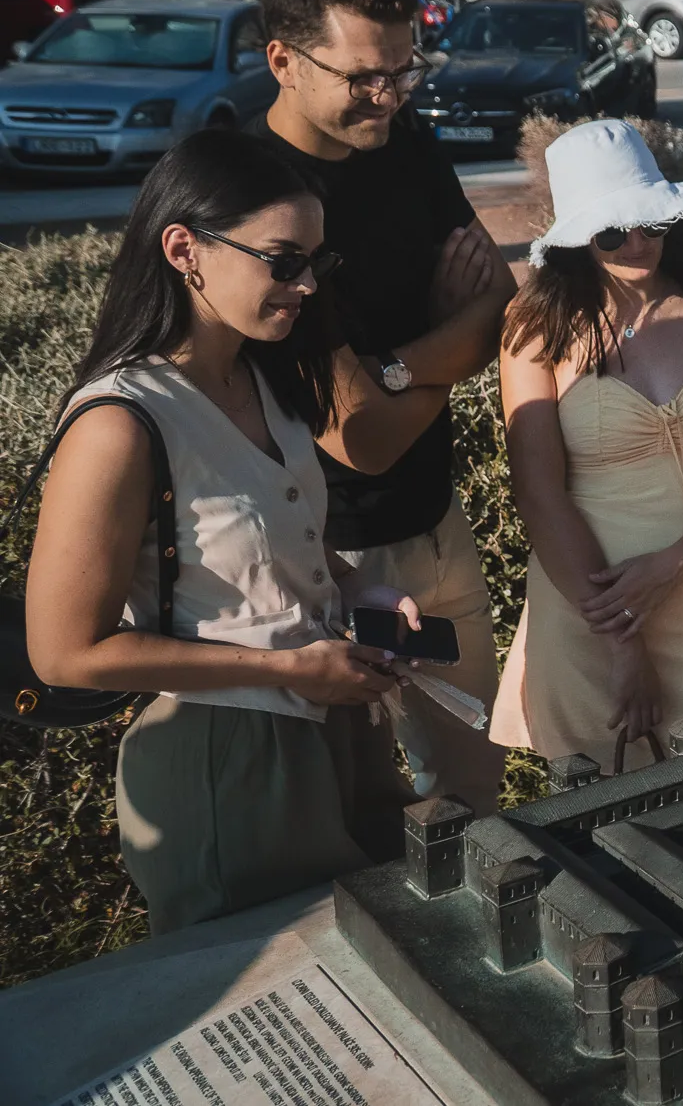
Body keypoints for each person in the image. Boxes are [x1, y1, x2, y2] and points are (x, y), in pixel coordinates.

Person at [24, 130, 424, 933]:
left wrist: (359, 591)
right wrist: (292, 665)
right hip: (226, 760)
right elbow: (64, 652)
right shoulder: (120, 422)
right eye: (284, 260)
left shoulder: (262, 375)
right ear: (184, 249)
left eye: (318, 261)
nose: (308, 284)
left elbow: (269, 560)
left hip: (333, 729)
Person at [252, 0, 516, 814]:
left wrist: (394, 368)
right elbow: (358, 437)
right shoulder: (254, 201)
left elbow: (500, 306)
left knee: (473, 797)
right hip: (332, 561)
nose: (391, 95)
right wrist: (446, 345)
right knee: (363, 819)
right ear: (283, 61)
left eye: (406, 70)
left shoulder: (408, 149)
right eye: (366, 76)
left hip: (440, 525)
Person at [492, 121, 683, 769]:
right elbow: (539, 495)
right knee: (608, 836)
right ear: (576, 238)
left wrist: (677, 560)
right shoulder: (535, 325)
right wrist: (623, 639)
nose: (639, 241)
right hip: (590, 617)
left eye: (650, 220)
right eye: (614, 231)